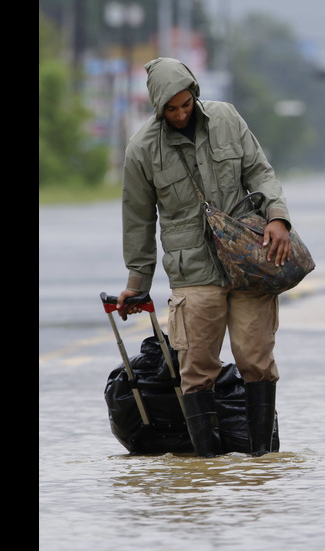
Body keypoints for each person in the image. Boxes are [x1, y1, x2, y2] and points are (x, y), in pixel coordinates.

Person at [115, 57, 293, 457]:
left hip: (249, 261)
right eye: (171, 108)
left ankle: (262, 461)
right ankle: (206, 467)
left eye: (185, 104)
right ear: (158, 107)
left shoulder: (228, 119)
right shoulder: (142, 149)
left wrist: (278, 217)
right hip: (192, 269)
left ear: (195, 94)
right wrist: (136, 284)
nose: (180, 114)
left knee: (256, 360)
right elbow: (138, 220)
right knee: (197, 369)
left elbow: (261, 174)